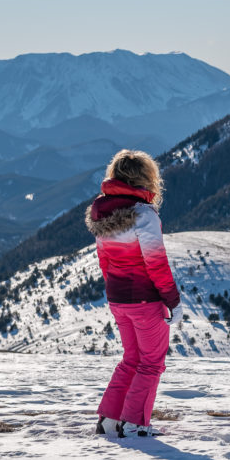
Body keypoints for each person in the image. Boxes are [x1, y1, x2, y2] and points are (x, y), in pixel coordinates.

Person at [85, 149, 181, 438]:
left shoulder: (103, 213)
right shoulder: (143, 215)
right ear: (145, 179)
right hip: (144, 299)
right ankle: (137, 422)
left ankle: (110, 419)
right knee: (151, 362)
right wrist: (172, 300)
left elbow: (105, 261)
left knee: (131, 359)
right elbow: (156, 263)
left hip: (118, 298)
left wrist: (116, 292)